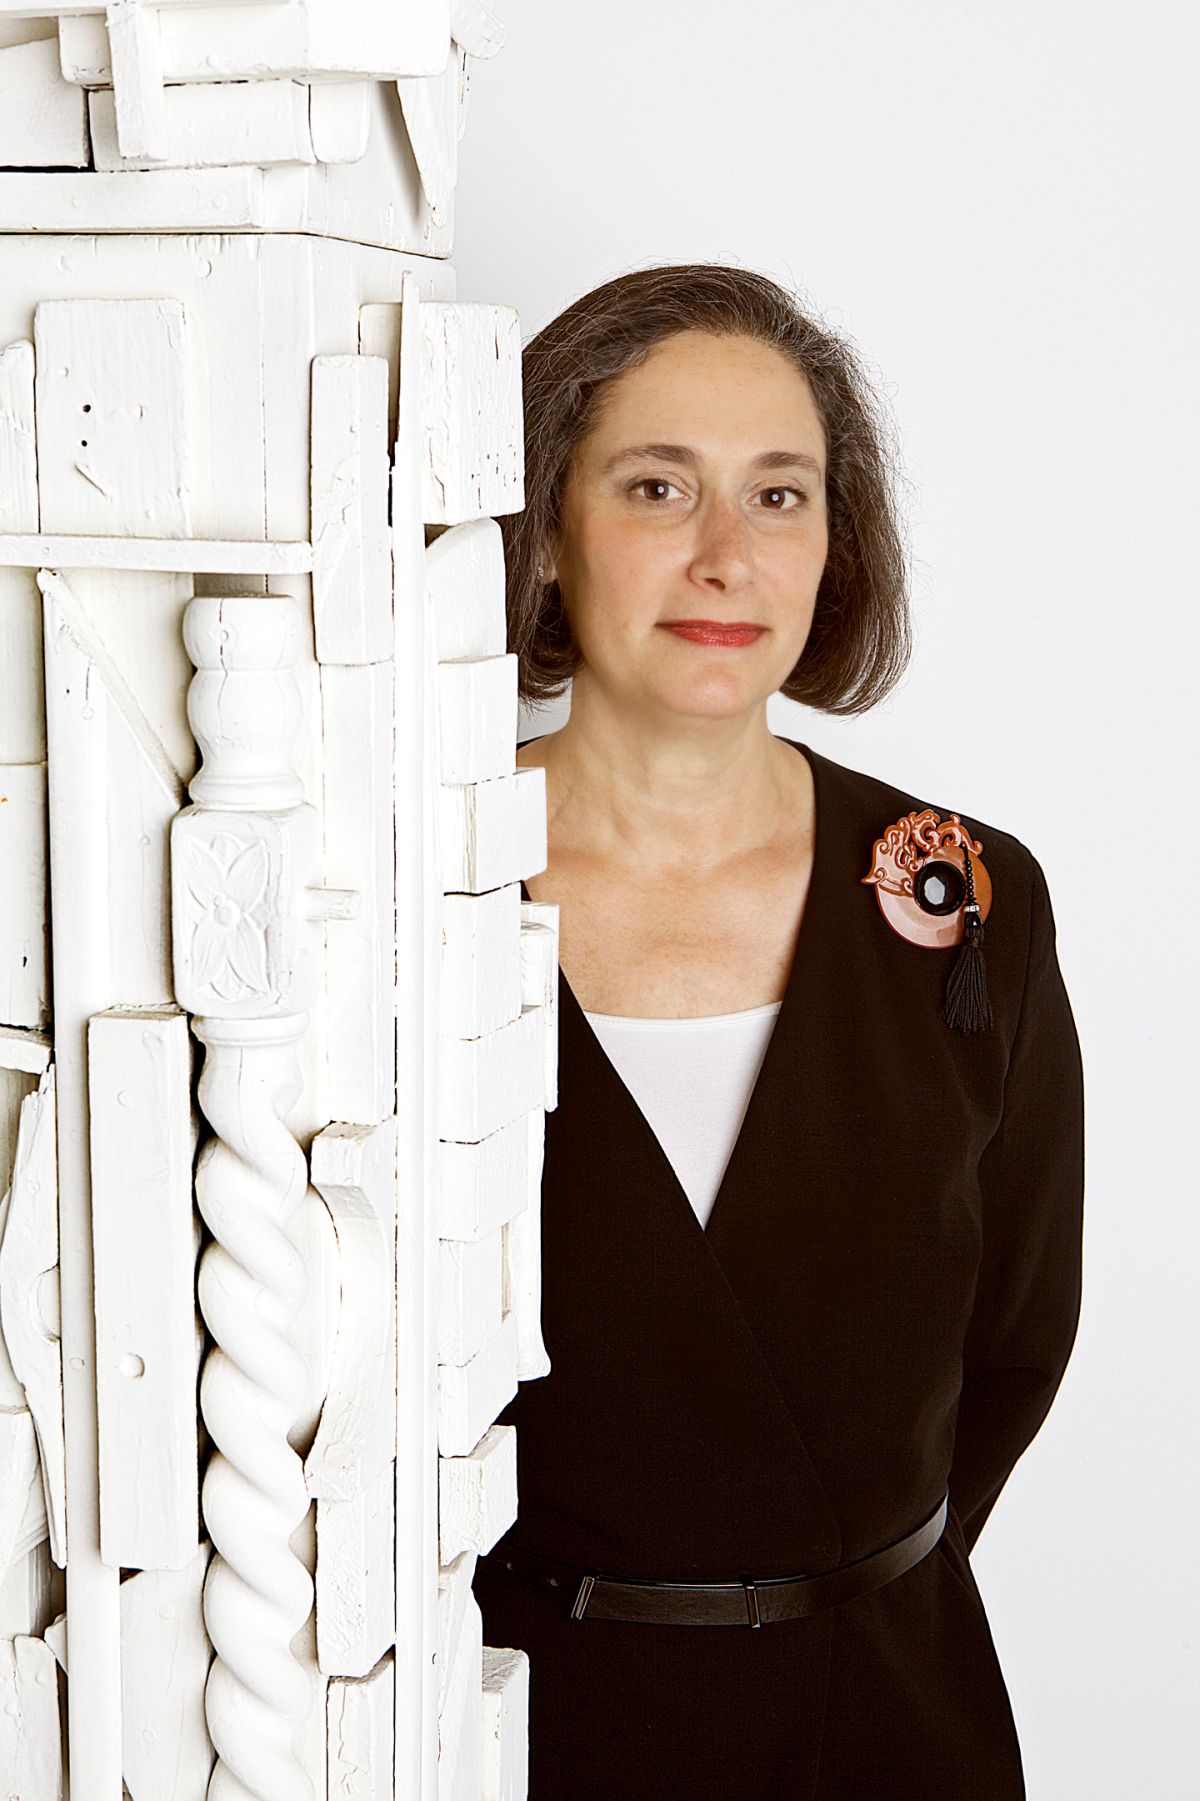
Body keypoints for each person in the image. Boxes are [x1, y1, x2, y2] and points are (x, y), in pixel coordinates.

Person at [472, 263, 1085, 1800]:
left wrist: (838, 1578)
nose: (726, 556)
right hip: (520, 1729)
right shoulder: (400, 876)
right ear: (548, 527)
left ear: (835, 546)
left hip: (883, 1714)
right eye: (658, 485)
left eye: (782, 495)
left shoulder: (969, 895)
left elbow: (1018, 1337)